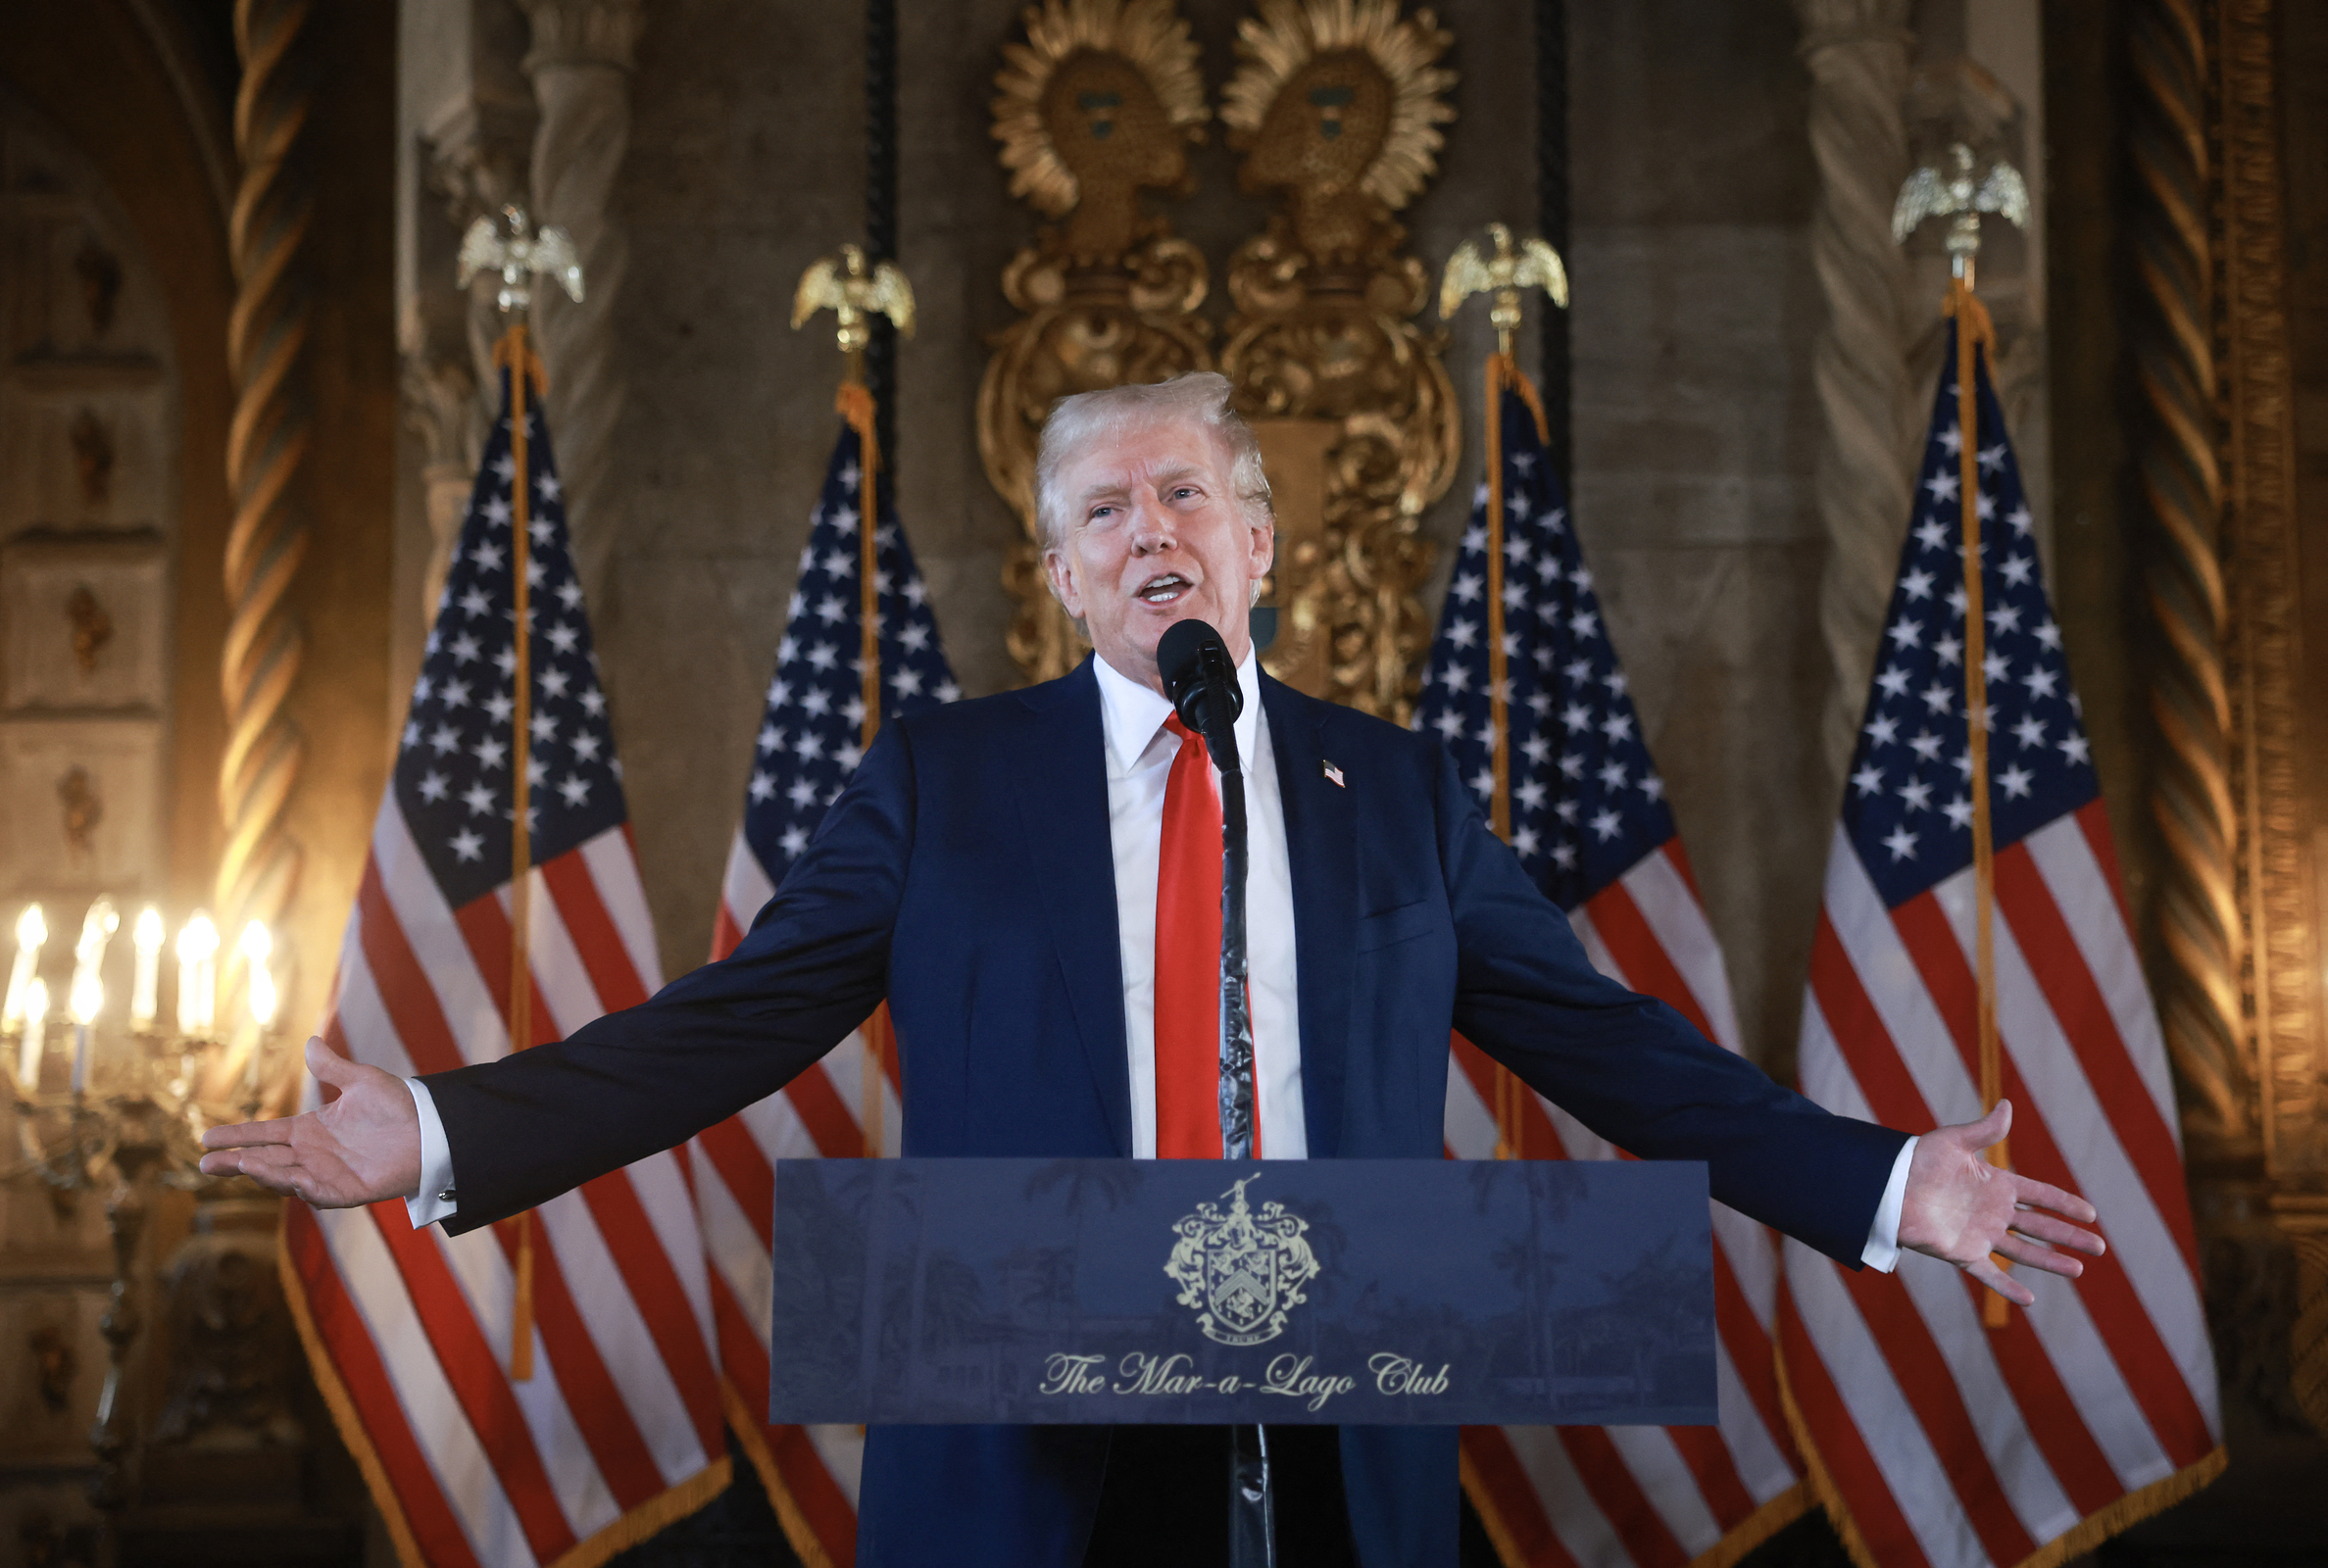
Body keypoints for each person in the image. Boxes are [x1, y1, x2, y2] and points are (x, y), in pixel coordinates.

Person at [203, 372, 2103, 1568]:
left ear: (1260, 543)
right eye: (1105, 510)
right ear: (1062, 575)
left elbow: (1607, 1043)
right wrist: (447, 1129)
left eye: (1186, 495)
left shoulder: (1402, 790)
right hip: (1028, 1449)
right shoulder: (944, 780)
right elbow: (741, 1020)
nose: (1151, 532)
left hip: (1335, 1437)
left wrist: (1887, 1174)